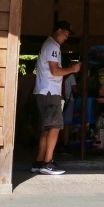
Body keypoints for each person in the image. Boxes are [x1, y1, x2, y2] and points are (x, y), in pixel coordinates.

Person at [31, 20, 81, 175]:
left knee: (46, 129)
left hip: (43, 92)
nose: (66, 37)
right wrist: (72, 69)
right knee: (55, 126)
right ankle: (48, 163)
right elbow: (55, 71)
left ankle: (39, 162)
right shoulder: (53, 46)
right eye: (66, 34)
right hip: (50, 92)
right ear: (59, 31)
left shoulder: (47, 45)